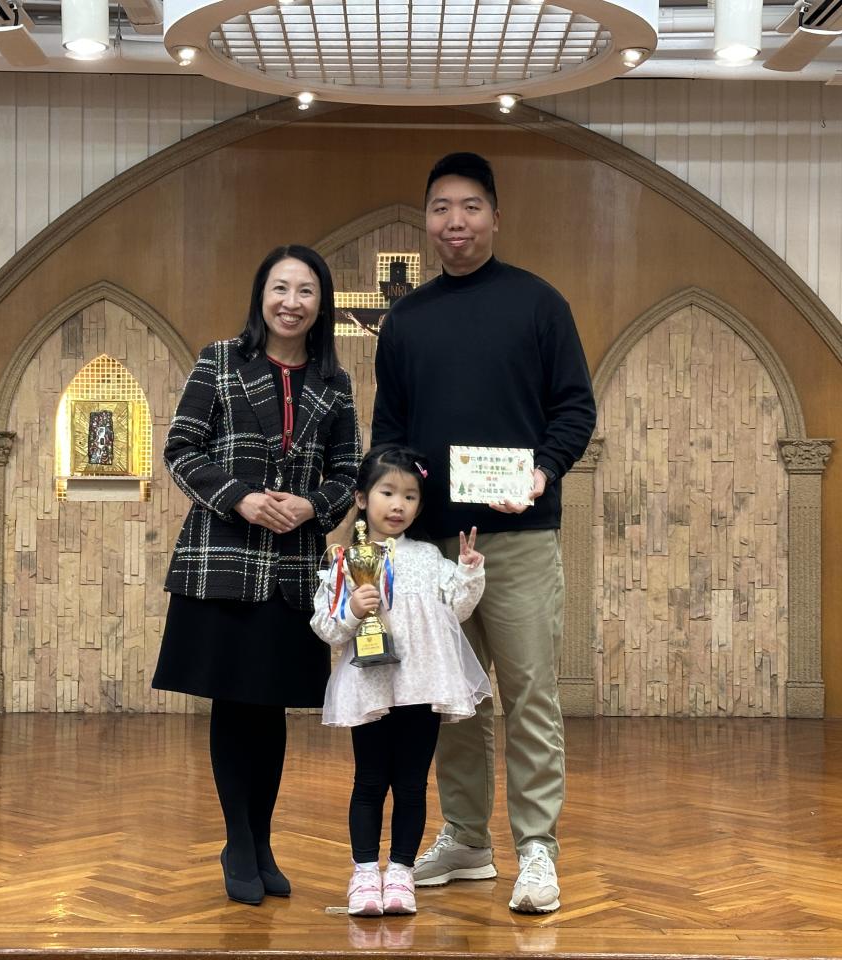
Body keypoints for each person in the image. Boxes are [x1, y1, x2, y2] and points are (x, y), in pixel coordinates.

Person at [371, 152, 596, 914]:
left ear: (496, 217)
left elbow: (575, 408)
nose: (455, 222)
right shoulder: (406, 320)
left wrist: (543, 471)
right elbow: (390, 430)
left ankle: (537, 848)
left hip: (519, 537)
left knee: (530, 693)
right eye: (441, 208)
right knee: (453, 698)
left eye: (470, 207)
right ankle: (467, 838)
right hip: (432, 545)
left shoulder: (539, 305)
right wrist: (392, 505)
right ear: (427, 220)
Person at [153, 244, 362, 906]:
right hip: (225, 559)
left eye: (305, 291)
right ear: (261, 296)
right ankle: (237, 842)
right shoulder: (219, 360)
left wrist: (314, 506)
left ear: (321, 305)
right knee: (234, 702)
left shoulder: (335, 382)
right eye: (280, 288)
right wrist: (239, 497)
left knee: (270, 709)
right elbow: (180, 449)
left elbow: (348, 473)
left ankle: (263, 841)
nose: (291, 302)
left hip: (294, 567)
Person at [310, 444, 491, 917]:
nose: (398, 505)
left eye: (410, 497)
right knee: (370, 781)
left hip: (422, 686)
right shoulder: (345, 559)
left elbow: (457, 609)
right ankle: (364, 874)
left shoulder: (428, 557)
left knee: (412, 784)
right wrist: (353, 609)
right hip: (371, 687)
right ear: (361, 498)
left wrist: (469, 572)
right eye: (387, 492)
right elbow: (327, 628)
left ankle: (401, 873)